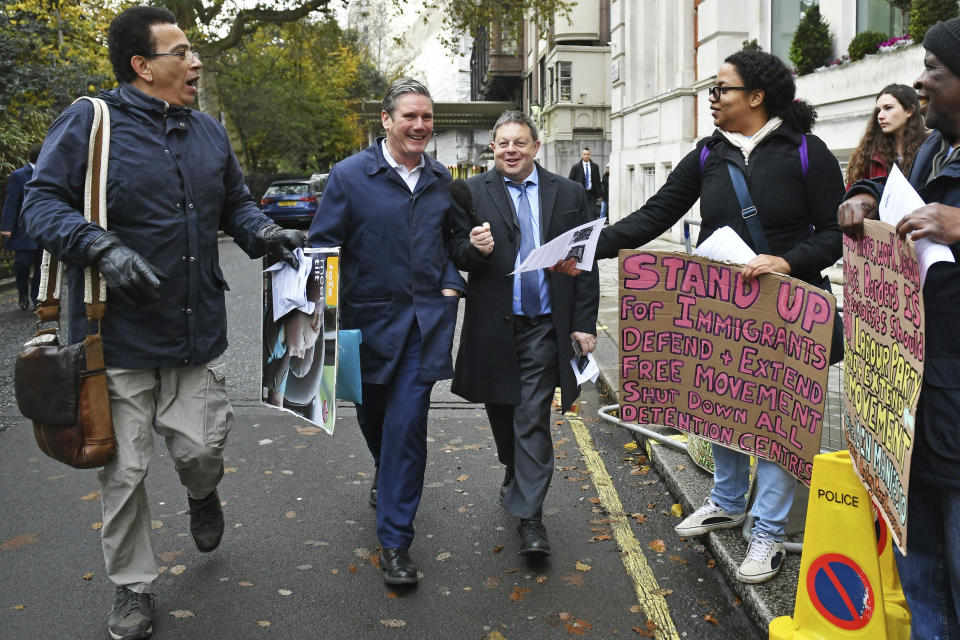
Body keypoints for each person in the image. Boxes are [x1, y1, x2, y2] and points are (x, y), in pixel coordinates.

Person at [21, 7, 304, 640]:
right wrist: (100, 247)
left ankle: (203, 494)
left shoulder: (207, 132)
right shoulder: (91, 124)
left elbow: (234, 205)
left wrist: (265, 233)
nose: (195, 61)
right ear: (143, 67)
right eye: (181, 52)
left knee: (203, 450)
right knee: (122, 470)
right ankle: (132, 587)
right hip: (112, 338)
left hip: (194, 335)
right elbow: (39, 203)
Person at [581, 49, 843, 583]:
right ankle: (726, 499)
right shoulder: (708, 155)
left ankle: (768, 530)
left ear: (756, 96)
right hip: (720, 314)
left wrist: (788, 260)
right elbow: (655, 214)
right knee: (719, 402)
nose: (712, 98)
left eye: (721, 88)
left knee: (774, 420)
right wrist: (588, 249)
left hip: (787, 311)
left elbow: (835, 234)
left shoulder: (807, 153)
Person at [308, 78, 465, 586]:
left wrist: (451, 280)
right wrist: (317, 322)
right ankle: (385, 470)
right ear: (386, 120)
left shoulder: (443, 180)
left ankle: (395, 542)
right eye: (410, 117)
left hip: (424, 327)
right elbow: (322, 250)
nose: (420, 126)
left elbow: (451, 245)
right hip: (366, 327)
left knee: (407, 429)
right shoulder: (350, 176)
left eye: (426, 117)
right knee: (375, 420)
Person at [837, 17, 960, 638]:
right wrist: (860, 198)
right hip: (914, 402)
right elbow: (892, 192)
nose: (922, 81)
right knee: (922, 577)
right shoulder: (937, 147)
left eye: (935, 70)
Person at [450, 110, 599, 557]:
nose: (510, 150)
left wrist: (583, 323)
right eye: (502, 143)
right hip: (494, 327)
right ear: (492, 149)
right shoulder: (471, 192)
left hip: (543, 326)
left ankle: (530, 519)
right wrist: (473, 251)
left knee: (531, 416)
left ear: (536, 147)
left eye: (519, 142)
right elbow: (454, 250)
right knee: (503, 414)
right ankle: (514, 471)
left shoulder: (569, 192)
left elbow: (583, 261)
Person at [845, 84, 927, 185]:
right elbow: (852, 196)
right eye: (878, 110)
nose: (880, 116)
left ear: (909, 110)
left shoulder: (931, 149)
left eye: (888, 108)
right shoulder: (868, 155)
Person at [1, 143, 43, 310]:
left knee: (42, 267)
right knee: (22, 264)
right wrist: (7, 227)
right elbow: (11, 203)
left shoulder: (48, 174)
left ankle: (36, 298)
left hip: (42, 229)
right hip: (23, 230)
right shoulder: (18, 175)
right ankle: (22, 292)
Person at [568, 147, 602, 219]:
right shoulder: (576, 167)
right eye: (584, 154)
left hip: (592, 194)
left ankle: (592, 229)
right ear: (582, 155)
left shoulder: (595, 167)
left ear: (590, 155)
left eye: (588, 154)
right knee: (582, 214)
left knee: (592, 214)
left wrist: (600, 194)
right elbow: (570, 181)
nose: (586, 156)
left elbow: (597, 181)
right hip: (581, 194)